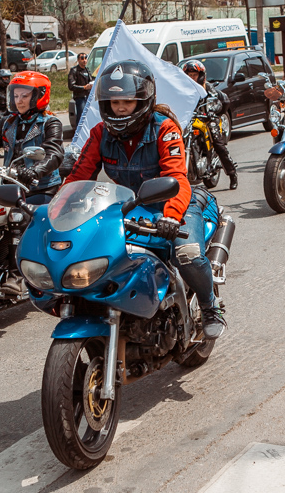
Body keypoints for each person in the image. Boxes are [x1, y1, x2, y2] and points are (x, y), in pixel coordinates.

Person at [62, 60, 226, 338]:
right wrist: (57, 209)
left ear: (143, 100)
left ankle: (211, 306)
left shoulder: (165, 129)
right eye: (114, 102)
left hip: (175, 205)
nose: (121, 107)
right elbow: (78, 178)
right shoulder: (100, 133)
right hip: (130, 205)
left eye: (127, 100)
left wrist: (171, 218)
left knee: (186, 253)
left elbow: (178, 178)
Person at [0, 71, 64, 203]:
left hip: (39, 189)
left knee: (19, 218)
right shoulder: (8, 122)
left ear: (38, 96)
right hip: (11, 187)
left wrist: (34, 171)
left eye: (24, 96)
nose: (19, 101)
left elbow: (54, 154)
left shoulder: (50, 122)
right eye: (16, 96)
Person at [181, 60, 238, 190]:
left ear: (200, 75)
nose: (191, 78)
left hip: (207, 119)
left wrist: (212, 110)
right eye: (188, 75)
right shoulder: (183, 90)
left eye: (194, 75)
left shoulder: (207, 88)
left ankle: (232, 174)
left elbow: (217, 101)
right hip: (191, 120)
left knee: (219, 145)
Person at [67, 52, 92, 128]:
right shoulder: (74, 70)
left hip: (88, 97)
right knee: (81, 117)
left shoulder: (87, 70)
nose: (84, 60)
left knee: (89, 117)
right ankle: (78, 135)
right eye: (82, 58)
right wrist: (84, 87)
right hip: (80, 98)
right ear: (78, 60)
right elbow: (71, 86)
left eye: (85, 58)